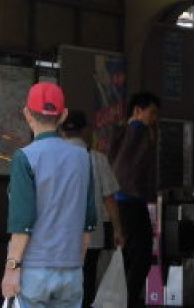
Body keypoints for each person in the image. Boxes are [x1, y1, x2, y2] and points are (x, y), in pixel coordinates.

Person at [3, 82, 96, 308]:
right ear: (63, 115)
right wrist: (76, 265)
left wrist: (11, 270)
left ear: (27, 114)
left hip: (34, 271)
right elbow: (88, 223)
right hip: (72, 270)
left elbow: (22, 222)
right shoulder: (83, 157)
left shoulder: (25, 158)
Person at [61, 109, 125, 308]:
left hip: (59, 233)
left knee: (61, 279)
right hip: (92, 234)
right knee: (87, 278)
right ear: (86, 131)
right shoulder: (97, 159)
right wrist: (117, 230)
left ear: (62, 131)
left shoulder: (53, 157)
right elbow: (109, 199)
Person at [108, 91, 161, 308]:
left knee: (130, 257)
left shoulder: (119, 132)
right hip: (132, 202)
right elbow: (131, 170)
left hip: (120, 202)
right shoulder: (138, 131)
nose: (154, 118)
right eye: (153, 113)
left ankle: (122, 300)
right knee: (141, 257)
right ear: (138, 110)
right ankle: (126, 302)